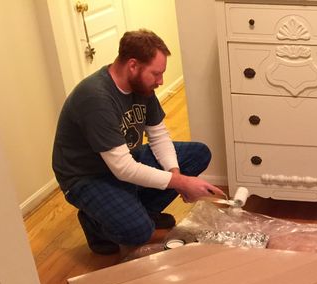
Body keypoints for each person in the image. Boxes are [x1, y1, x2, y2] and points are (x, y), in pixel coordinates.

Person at [52, 29, 224, 254]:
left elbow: (158, 135)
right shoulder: (95, 98)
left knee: (198, 153)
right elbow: (123, 169)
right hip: (87, 176)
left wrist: (177, 175)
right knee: (138, 232)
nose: (161, 81)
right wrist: (182, 184)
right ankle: (95, 223)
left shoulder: (141, 87)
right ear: (133, 65)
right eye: (156, 74)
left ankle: (137, 209)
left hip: (123, 158)